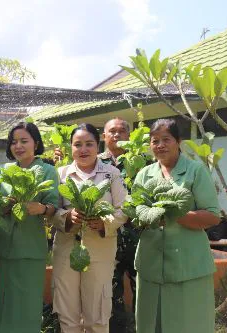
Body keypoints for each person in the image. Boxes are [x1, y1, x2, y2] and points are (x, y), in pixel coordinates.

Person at [134, 119, 220, 333]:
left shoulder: (195, 170)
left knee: (189, 325)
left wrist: (174, 214)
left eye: (166, 139)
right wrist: (144, 217)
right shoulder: (144, 174)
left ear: (178, 141)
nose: (160, 145)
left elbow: (212, 216)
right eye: (155, 141)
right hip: (151, 266)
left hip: (188, 266)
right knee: (150, 325)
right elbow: (134, 211)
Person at [52, 123, 127, 333]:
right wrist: (67, 217)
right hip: (67, 251)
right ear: (71, 148)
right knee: (68, 317)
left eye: (89, 144)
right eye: (78, 145)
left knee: (97, 315)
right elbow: (51, 210)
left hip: (100, 251)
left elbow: (124, 209)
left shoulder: (111, 174)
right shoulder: (61, 174)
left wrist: (105, 223)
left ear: (98, 145)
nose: (83, 150)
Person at [0, 121, 59, 333]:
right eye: (14, 142)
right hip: (4, 245)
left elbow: (53, 206)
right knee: (5, 302)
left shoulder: (47, 170)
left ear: (36, 143)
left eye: (24, 141)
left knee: (28, 303)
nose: (18, 146)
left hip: (31, 247)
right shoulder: (3, 170)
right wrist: (4, 205)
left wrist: (41, 208)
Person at [99, 118, 139, 333]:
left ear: (129, 136)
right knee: (110, 293)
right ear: (104, 136)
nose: (117, 135)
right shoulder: (95, 162)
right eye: (111, 131)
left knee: (140, 289)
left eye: (122, 131)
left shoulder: (141, 162)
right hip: (106, 237)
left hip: (136, 237)